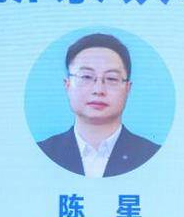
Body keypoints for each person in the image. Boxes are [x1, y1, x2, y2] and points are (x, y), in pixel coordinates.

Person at [37, 33, 160, 177]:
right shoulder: (42, 153)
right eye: (86, 77)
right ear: (68, 85)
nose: (98, 90)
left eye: (111, 78)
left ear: (128, 88)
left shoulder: (152, 155)